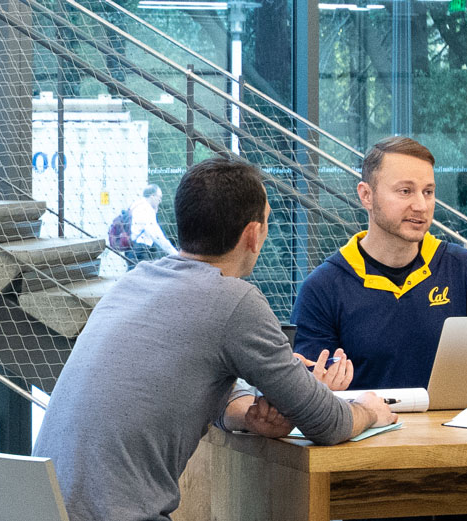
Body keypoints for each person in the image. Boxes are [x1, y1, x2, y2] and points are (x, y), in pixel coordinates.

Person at [37, 158, 397, 521]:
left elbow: (184, 380)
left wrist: (246, 414)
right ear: (253, 235)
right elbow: (328, 423)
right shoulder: (234, 300)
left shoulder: (134, 281)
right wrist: (369, 409)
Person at [292, 136, 467, 392]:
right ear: (366, 195)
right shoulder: (322, 288)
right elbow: (309, 392)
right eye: (405, 191)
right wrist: (318, 388)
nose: (421, 206)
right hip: (367, 429)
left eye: (428, 192)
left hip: (455, 430)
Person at [109, 185, 180, 264]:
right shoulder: (146, 209)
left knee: (134, 273)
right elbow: (156, 235)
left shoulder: (136, 204)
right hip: (140, 251)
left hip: (132, 248)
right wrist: (175, 254)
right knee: (142, 274)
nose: (160, 201)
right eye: (159, 197)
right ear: (152, 196)